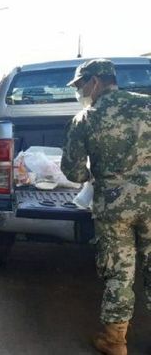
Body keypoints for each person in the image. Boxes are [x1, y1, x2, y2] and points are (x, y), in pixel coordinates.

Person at [61, 58, 151, 355]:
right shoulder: (147, 104)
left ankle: (115, 340)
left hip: (114, 206)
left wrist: (91, 176)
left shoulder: (86, 118)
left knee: (120, 271)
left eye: (80, 85)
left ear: (95, 82)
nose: (80, 92)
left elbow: (73, 172)